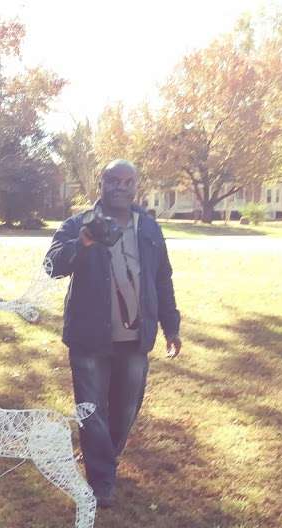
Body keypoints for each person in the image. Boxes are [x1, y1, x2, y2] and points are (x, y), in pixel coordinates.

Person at [46, 159, 182, 507]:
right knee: (92, 411)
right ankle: (102, 480)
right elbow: (52, 266)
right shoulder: (78, 224)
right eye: (113, 180)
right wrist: (84, 241)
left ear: (137, 185)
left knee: (125, 409)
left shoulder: (148, 228)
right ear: (101, 183)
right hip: (90, 338)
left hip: (135, 339)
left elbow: (162, 278)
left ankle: (106, 456)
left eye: (128, 181)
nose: (120, 187)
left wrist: (171, 325)